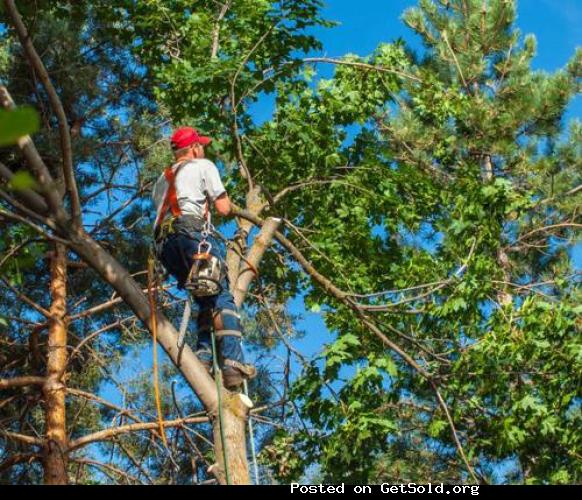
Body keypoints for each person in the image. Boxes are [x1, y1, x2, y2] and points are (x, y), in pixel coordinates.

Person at [151, 126, 256, 389]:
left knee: (205, 297)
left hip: (165, 246)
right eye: (202, 146)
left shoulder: (161, 180)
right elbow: (222, 208)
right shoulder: (202, 165)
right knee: (222, 296)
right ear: (194, 148)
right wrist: (233, 207)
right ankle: (232, 362)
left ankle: (204, 357)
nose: (205, 149)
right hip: (192, 235)